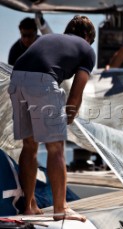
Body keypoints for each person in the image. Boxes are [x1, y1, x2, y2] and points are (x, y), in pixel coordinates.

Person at [7, 15, 96, 222]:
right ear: (87, 36)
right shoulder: (86, 49)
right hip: (43, 80)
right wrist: (68, 119)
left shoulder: (49, 39)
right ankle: (60, 209)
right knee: (56, 148)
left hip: (17, 77)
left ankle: (29, 207)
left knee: (29, 146)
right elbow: (76, 94)